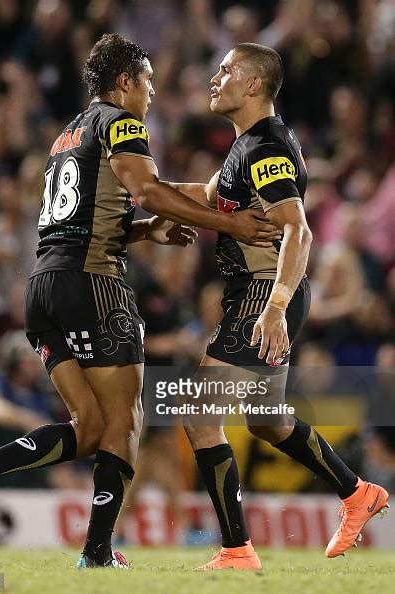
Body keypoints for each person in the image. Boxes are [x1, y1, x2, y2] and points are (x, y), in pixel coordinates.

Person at [0, 34, 279, 569]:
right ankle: (97, 552)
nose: (149, 93)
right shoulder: (120, 122)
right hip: (93, 285)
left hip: (43, 289)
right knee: (125, 424)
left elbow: (87, 220)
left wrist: (147, 233)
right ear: (126, 82)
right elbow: (146, 190)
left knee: (92, 428)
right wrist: (228, 223)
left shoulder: (66, 134)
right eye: (146, 81)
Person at [170, 43, 389, 570]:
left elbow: (299, 229)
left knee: (200, 415)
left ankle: (236, 548)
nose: (214, 76)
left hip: (261, 295)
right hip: (260, 294)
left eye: (226, 70)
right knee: (267, 420)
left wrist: (275, 305)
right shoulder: (248, 144)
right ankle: (358, 493)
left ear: (252, 86)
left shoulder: (264, 147)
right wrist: (148, 195)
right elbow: (210, 193)